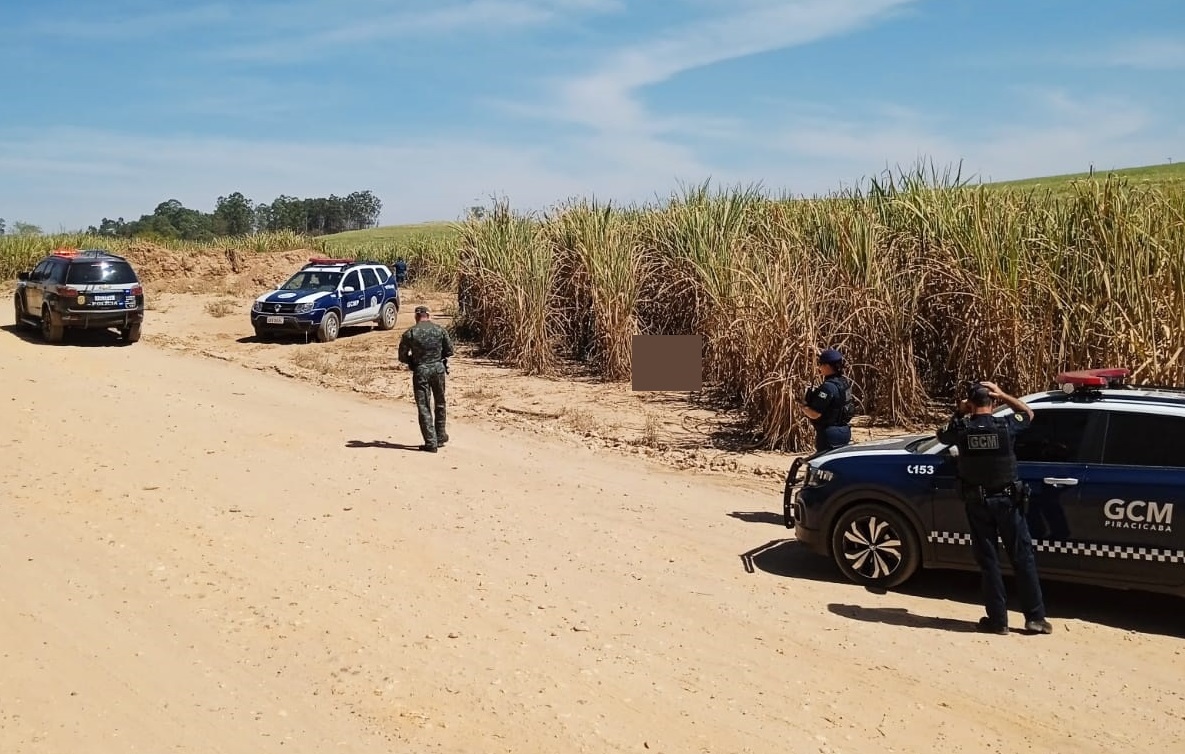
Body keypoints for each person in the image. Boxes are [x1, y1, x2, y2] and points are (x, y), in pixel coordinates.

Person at [936, 380, 1054, 636]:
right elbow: (1028, 413)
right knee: (1022, 558)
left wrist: (960, 411)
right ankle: (1035, 618)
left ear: (970, 403)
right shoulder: (1005, 426)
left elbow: (941, 435)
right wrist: (1004, 395)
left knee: (989, 561)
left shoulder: (962, 429)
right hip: (1009, 502)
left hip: (978, 503)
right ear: (993, 402)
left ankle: (998, 621)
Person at [398, 305, 454, 452]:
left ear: (416, 317)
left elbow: (402, 356)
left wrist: (413, 361)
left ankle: (431, 441)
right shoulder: (440, 330)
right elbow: (449, 350)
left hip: (421, 371)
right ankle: (440, 435)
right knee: (440, 402)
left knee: (424, 406)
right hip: (438, 369)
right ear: (429, 315)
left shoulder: (410, 333)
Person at [798, 347, 856, 454]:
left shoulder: (828, 387)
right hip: (845, 432)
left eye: (821, 364)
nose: (819, 367)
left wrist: (803, 407)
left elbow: (815, 414)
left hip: (830, 435)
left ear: (827, 366)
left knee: (824, 462)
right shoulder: (844, 382)